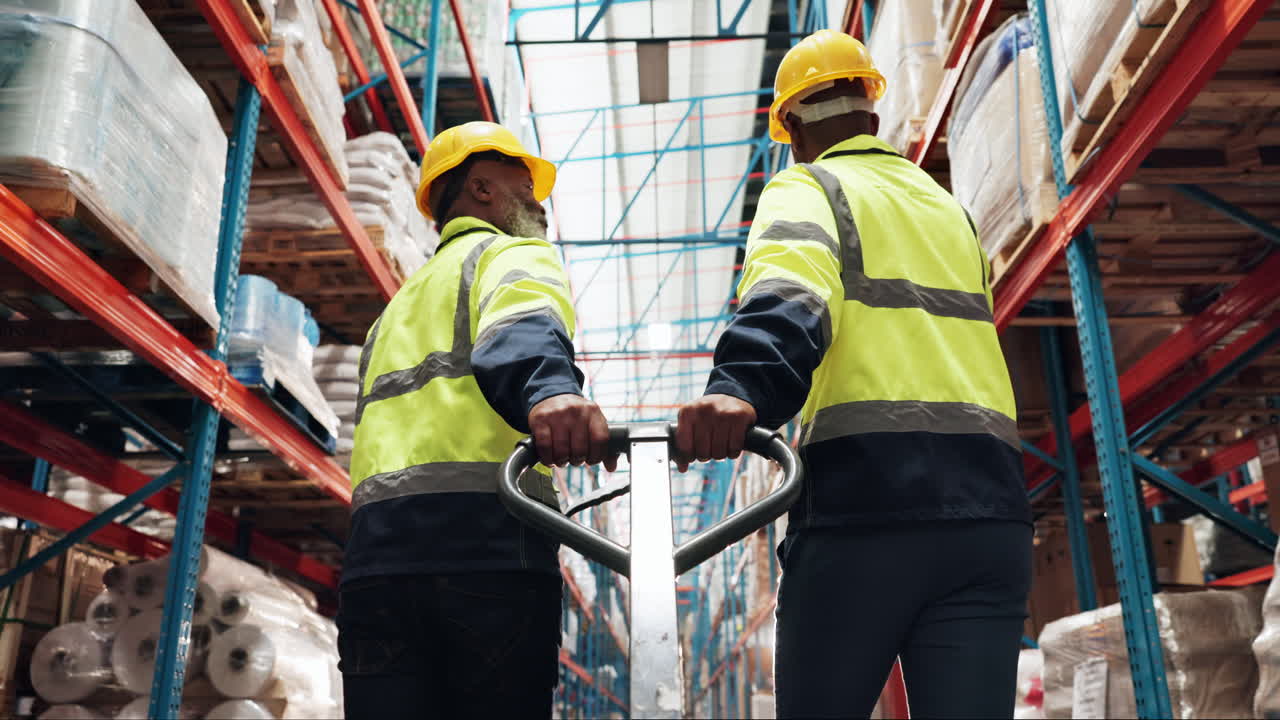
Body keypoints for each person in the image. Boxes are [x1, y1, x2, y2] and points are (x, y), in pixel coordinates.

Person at [675, 30, 1032, 719]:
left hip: (868, 508)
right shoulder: (950, 212)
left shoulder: (807, 186)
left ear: (794, 134)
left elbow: (792, 295)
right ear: (873, 115)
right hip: (990, 516)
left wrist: (739, 390)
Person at [337, 121, 613, 719]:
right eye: (525, 183)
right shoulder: (509, 254)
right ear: (482, 190)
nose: (540, 203)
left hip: (376, 564)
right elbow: (521, 325)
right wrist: (549, 394)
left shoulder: (396, 310)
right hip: (486, 548)